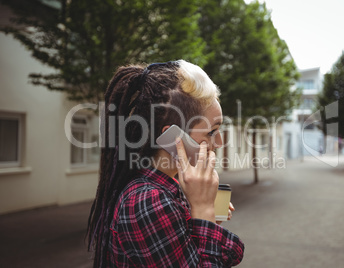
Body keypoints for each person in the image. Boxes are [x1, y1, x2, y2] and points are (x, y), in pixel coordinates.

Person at [87, 60, 244, 267]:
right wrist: (204, 210)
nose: (220, 142)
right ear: (173, 137)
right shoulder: (148, 202)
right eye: (212, 131)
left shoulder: (168, 190)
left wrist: (205, 221)